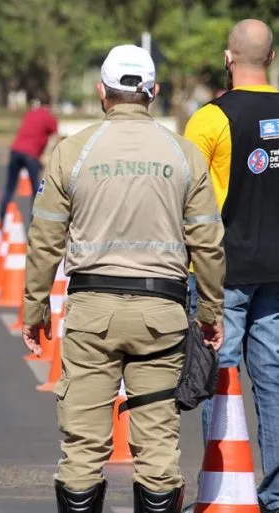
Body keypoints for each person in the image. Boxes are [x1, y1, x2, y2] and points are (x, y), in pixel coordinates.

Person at [22, 44, 225, 513]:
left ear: (102, 92)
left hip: (92, 315)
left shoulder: (72, 152)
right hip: (163, 316)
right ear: (153, 92)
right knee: (157, 451)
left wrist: (34, 310)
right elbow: (208, 244)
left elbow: (45, 240)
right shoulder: (184, 154)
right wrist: (211, 311)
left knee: (82, 448)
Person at [183, 19, 279, 513]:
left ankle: (223, 487)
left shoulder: (210, 119)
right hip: (276, 272)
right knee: (274, 381)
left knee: (219, 377)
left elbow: (188, 199)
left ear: (228, 57)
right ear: (273, 56)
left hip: (223, 271)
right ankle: (275, 494)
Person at [0, 92, 59, 225]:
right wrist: (47, 156)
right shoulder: (49, 117)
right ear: (49, 104)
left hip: (16, 150)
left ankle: (1, 217)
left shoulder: (30, 113)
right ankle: (35, 221)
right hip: (31, 154)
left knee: (10, 187)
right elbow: (55, 139)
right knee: (36, 189)